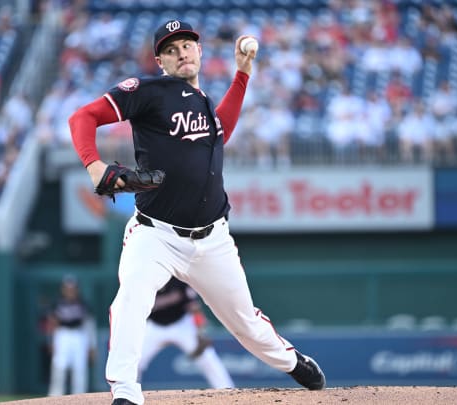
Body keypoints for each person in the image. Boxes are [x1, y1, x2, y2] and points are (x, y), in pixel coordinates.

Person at [68, 19, 325, 405]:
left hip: (213, 239)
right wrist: (94, 165)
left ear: (200, 51)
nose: (181, 53)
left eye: (187, 45)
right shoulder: (150, 91)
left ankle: (291, 361)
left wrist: (242, 74)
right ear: (161, 61)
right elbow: (82, 118)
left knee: (245, 325)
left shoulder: (203, 102)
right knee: (131, 299)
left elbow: (222, 131)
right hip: (155, 234)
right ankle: (124, 390)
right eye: (171, 49)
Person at [139, 277, 234, 389]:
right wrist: (170, 299)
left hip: (182, 325)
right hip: (155, 326)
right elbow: (138, 306)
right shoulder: (146, 278)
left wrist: (200, 330)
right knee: (135, 362)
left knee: (207, 358)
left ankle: (227, 391)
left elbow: (193, 306)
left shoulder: (178, 277)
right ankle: (127, 395)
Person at [47, 275, 96, 396]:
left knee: (80, 369)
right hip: (62, 335)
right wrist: (51, 341)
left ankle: (79, 398)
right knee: (59, 367)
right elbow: (51, 323)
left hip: (79, 335)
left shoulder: (83, 303)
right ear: (63, 289)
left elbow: (89, 325)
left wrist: (92, 345)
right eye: (67, 288)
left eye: (72, 288)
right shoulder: (57, 303)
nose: (70, 291)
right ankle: (55, 398)